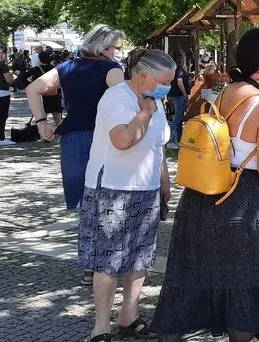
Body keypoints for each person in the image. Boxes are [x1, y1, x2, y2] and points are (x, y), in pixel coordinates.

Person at [152, 28, 259, 342]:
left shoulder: (225, 92)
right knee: (247, 279)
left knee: (194, 273)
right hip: (242, 200)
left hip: (200, 195)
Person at [78, 49, 175, 342]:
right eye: (164, 81)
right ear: (144, 76)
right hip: (113, 187)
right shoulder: (116, 98)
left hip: (146, 187)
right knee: (109, 260)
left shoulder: (155, 100)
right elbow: (122, 140)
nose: (167, 87)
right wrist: (144, 113)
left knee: (140, 257)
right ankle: (101, 327)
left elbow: (157, 146)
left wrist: (164, 181)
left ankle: (128, 317)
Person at [27, 24, 125, 285]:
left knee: (86, 204)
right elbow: (123, 102)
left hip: (72, 141)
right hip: (102, 140)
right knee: (108, 200)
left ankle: (89, 265)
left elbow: (32, 89)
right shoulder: (112, 69)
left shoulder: (67, 67)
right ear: (103, 47)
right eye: (116, 47)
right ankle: (106, 263)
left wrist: (41, 123)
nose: (118, 52)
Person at [164, 50, 192, 151]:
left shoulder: (171, 68)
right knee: (177, 119)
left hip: (172, 94)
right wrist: (185, 94)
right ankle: (171, 140)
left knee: (179, 118)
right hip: (179, 95)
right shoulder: (180, 68)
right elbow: (179, 82)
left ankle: (180, 139)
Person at [29, 50, 64, 128]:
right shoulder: (54, 69)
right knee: (57, 117)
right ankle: (61, 132)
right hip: (54, 94)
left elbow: (23, 77)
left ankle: (45, 133)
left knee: (43, 116)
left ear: (40, 59)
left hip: (41, 95)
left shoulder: (36, 69)